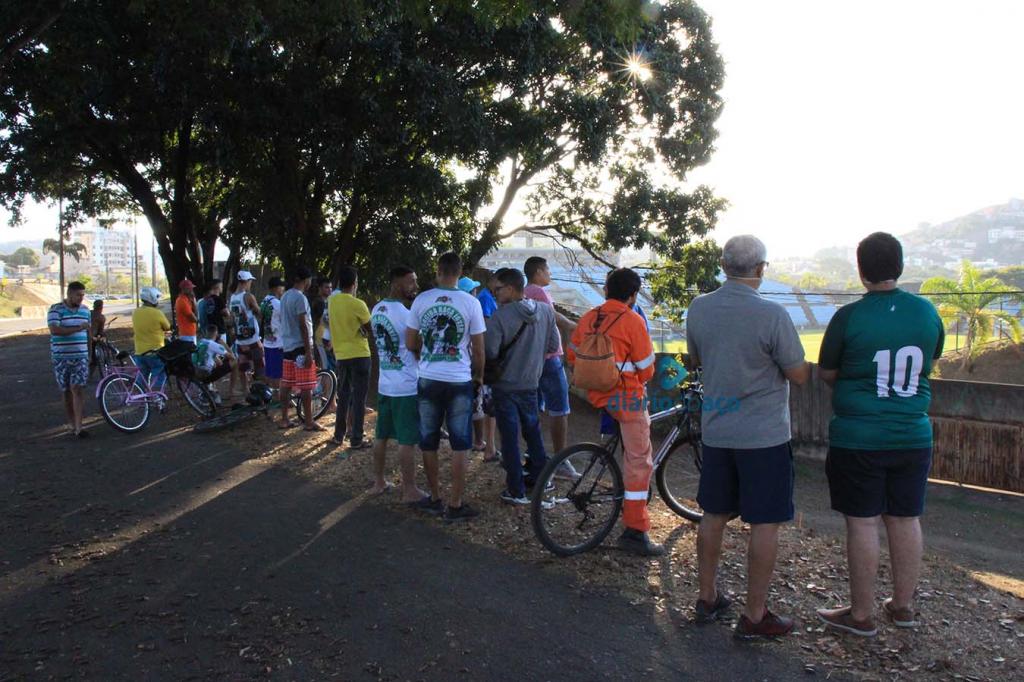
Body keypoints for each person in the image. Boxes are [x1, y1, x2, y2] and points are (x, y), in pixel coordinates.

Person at [815, 232, 945, 637]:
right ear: (900, 266)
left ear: (861, 269)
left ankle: (861, 615)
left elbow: (828, 373)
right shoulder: (926, 313)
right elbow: (932, 359)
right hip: (912, 434)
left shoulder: (848, 317)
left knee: (863, 523)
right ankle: (903, 607)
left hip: (859, 438)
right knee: (906, 518)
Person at [685, 235, 809, 638]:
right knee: (765, 522)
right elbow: (797, 373)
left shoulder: (698, 309)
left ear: (724, 267)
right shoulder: (772, 314)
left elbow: (698, 358)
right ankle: (755, 616)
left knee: (713, 513)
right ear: (760, 269)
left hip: (718, 430)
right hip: (764, 437)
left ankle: (707, 597)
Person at [568, 268, 659, 555]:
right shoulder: (633, 320)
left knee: (625, 447)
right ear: (633, 295)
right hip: (627, 399)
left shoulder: (589, 316)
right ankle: (635, 529)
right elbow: (646, 371)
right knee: (639, 462)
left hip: (596, 393)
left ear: (606, 290)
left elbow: (572, 354)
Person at [406, 252, 486, 522]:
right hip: (459, 379)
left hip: (428, 377)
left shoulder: (421, 300)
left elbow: (410, 342)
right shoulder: (471, 302)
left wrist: (427, 357)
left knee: (428, 440)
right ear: (459, 272)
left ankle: (436, 497)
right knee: (460, 442)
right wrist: (479, 377)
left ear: (438, 271)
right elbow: (479, 350)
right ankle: (455, 504)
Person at [486, 268, 561, 505]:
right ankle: (542, 481)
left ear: (510, 288)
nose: (494, 294)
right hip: (531, 382)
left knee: (509, 438)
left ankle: (516, 489)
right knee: (533, 433)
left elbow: (490, 352)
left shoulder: (500, 317)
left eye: (497, 289)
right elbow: (553, 345)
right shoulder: (546, 311)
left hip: (505, 385)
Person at [369, 266, 427, 501]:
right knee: (407, 440)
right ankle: (410, 489)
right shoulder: (405, 314)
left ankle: (379, 481)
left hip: (385, 382)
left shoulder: (377, 309)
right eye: (411, 281)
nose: (415, 286)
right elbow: (417, 346)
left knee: (381, 435)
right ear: (396, 283)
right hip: (405, 385)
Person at [524, 256, 577, 474]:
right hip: (549, 357)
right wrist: (575, 326)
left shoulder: (525, 292)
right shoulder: (538, 291)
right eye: (547, 270)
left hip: (534, 358)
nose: (550, 274)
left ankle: (534, 454)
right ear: (538, 272)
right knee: (560, 409)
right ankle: (560, 459)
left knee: (536, 408)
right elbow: (553, 317)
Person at [328, 266, 373, 450]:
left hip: (341, 355)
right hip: (360, 354)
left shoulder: (332, 301)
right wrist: (363, 330)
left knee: (343, 396)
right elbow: (370, 329)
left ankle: (338, 435)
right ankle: (356, 438)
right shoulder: (358, 304)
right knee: (359, 398)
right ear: (354, 284)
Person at [278, 266, 323, 431]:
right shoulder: (300, 298)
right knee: (306, 386)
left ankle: (284, 419)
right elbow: (303, 325)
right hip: (300, 346)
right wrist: (308, 351)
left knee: (286, 383)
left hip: (287, 346)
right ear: (306, 280)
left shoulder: (284, 296)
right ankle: (309, 422)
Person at [48, 281, 92, 437]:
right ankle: (72, 423)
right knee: (66, 390)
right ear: (69, 294)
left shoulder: (86, 311)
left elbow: (89, 333)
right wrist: (78, 328)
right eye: (78, 295)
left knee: (77, 388)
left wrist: (90, 353)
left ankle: (80, 427)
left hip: (80, 356)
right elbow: (55, 330)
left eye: (83, 295)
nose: (81, 298)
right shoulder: (56, 310)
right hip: (61, 357)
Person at [474, 271, 501, 462]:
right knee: (488, 404)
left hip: (488, 357)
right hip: (489, 358)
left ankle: (488, 444)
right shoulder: (484, 298)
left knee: (486, 405)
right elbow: (485, 330)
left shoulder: (486, 297)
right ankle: (489, 446)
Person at [229, 270, 265, 396]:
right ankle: (262, 392)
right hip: (253, 339)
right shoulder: (248, 296)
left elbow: (232, 319)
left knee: (243, 367)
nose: (251, 284)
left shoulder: (232, 298)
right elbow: (259, 312)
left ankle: (246, 391)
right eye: (250, 281)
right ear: (246, 282)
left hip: (240, 339)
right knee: (260, 366)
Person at [132, 286, 171, 391]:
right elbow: (167, 327)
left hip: (139, 352)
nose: (158, 300)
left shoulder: (135, 312)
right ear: (152, 298)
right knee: (159, 374)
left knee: (141, 378)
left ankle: (142, 400)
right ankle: (156, 398)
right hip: (155, 351)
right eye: (157, 297)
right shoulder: (157, 313)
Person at [193, 324, 236, 392]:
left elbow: (219, 362)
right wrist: (223, 343)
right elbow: (233, 357)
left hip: (195, 373)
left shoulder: (201, 342)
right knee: (235, 362)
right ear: (216, 333)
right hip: (205, 375)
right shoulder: (214, 344)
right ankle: (232, 391)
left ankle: (209, 387)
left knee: (216, 362)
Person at [261, 276, 286, 393]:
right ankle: (279, 396)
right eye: (282, 287)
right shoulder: (278, 304)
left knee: (270, 370)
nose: (283, 290)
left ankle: (272, 393)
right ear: (277, 288)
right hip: (278, 342)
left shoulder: (264, 301)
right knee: (279, 373)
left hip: (267, 340)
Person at [198, 279, 228, 344]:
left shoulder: (203, 301)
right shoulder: (218, 299)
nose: (222, 288)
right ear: (217, 287)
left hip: (208, 332)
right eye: (221, 287)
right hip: (219, 331)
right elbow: (226, 313)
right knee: (221, 352)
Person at [175, 278, 199, 344]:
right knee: (191, 353)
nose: (192, 290)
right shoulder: (182, 301)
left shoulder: (186, 299)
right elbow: (194, 319)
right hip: (187, 334)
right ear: (184, 289)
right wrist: (194, 301)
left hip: (189, 333)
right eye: (190, 288)